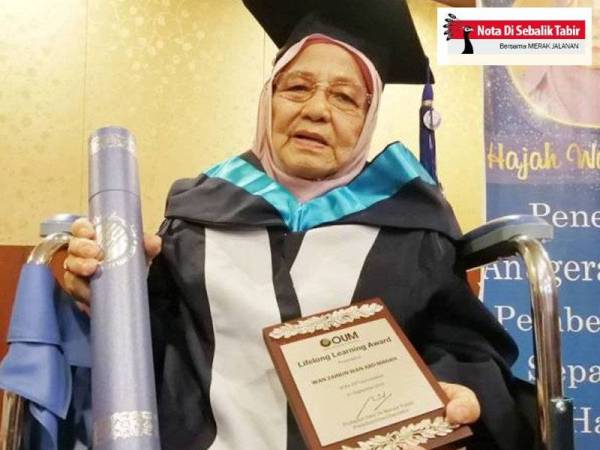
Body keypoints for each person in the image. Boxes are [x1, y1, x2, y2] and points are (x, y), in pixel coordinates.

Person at [64, 1, 538, 449]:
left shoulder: (415, 229)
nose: (316, 110)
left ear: (367, 119)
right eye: (296, 88)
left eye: (345, 97)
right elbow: (153, 354)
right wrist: (107, 291)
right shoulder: (196, 218)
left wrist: (459, 389)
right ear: (268, 100)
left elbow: (466, 350)